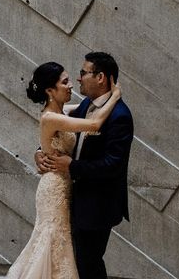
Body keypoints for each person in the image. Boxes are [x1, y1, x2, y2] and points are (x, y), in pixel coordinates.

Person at [6, 61, 121, 279]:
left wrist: (40, 150)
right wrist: (115, 95)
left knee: (60, 244)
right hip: (53, 189)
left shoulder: (64, 111)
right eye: (65, 82)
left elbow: (87, 109)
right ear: (50, 90)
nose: (71, 86)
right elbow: (94, 124)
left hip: (65, 186)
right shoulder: (50, 117)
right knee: (52, 243)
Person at [36, 52, 134, 279]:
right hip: (72, 197)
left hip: (97, 203)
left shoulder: (120, 116)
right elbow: (54, 126)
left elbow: (113, 165)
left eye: (83, 73)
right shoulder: (86, 105)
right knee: (73, 261)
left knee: (88, 263)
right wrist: (40, 152)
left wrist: (72, 166)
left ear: (100, 77)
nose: (78, 79)